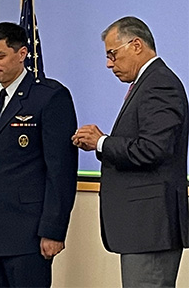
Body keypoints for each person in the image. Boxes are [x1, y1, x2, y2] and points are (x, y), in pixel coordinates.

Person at [72, 16, 189, 287]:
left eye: (113, 54)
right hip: (144, 229)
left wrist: (101, 142)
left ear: (136, 45)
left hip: (151, 228)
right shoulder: (149, 82)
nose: (109, 64)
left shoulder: (160, 84)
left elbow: (153, 149)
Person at [0, 22, 78, 287]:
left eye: (0, 56)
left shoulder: (49, 97)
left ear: (22, 53)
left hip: (28, 232)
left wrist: (53, 230)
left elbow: (60, 171)